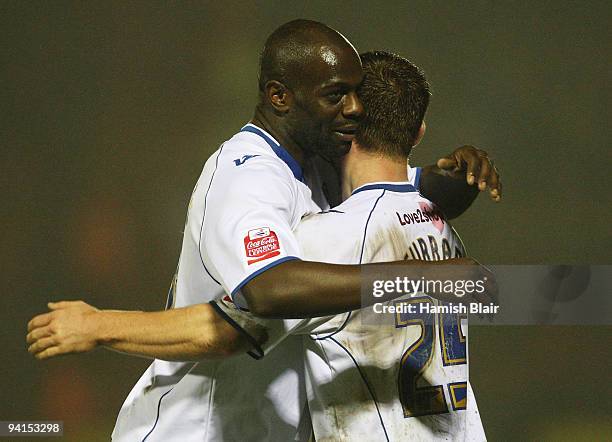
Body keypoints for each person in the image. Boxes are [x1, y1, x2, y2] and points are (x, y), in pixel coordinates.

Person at [27, 20, 499, 441]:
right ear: (280, 97)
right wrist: (413, 278)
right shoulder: (245, 176)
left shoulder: (319, 162)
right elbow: (265, 294)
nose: (355, 108)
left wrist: (461, 177)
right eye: (338, 95)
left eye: (358, 94)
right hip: (196, 428)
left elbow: (397, 192)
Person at [214, 50, 487, 441]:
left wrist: (103, 327)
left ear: (346, 122)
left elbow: (222, 332)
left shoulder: (328, 237)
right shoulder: (440, 225)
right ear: (419, 133)